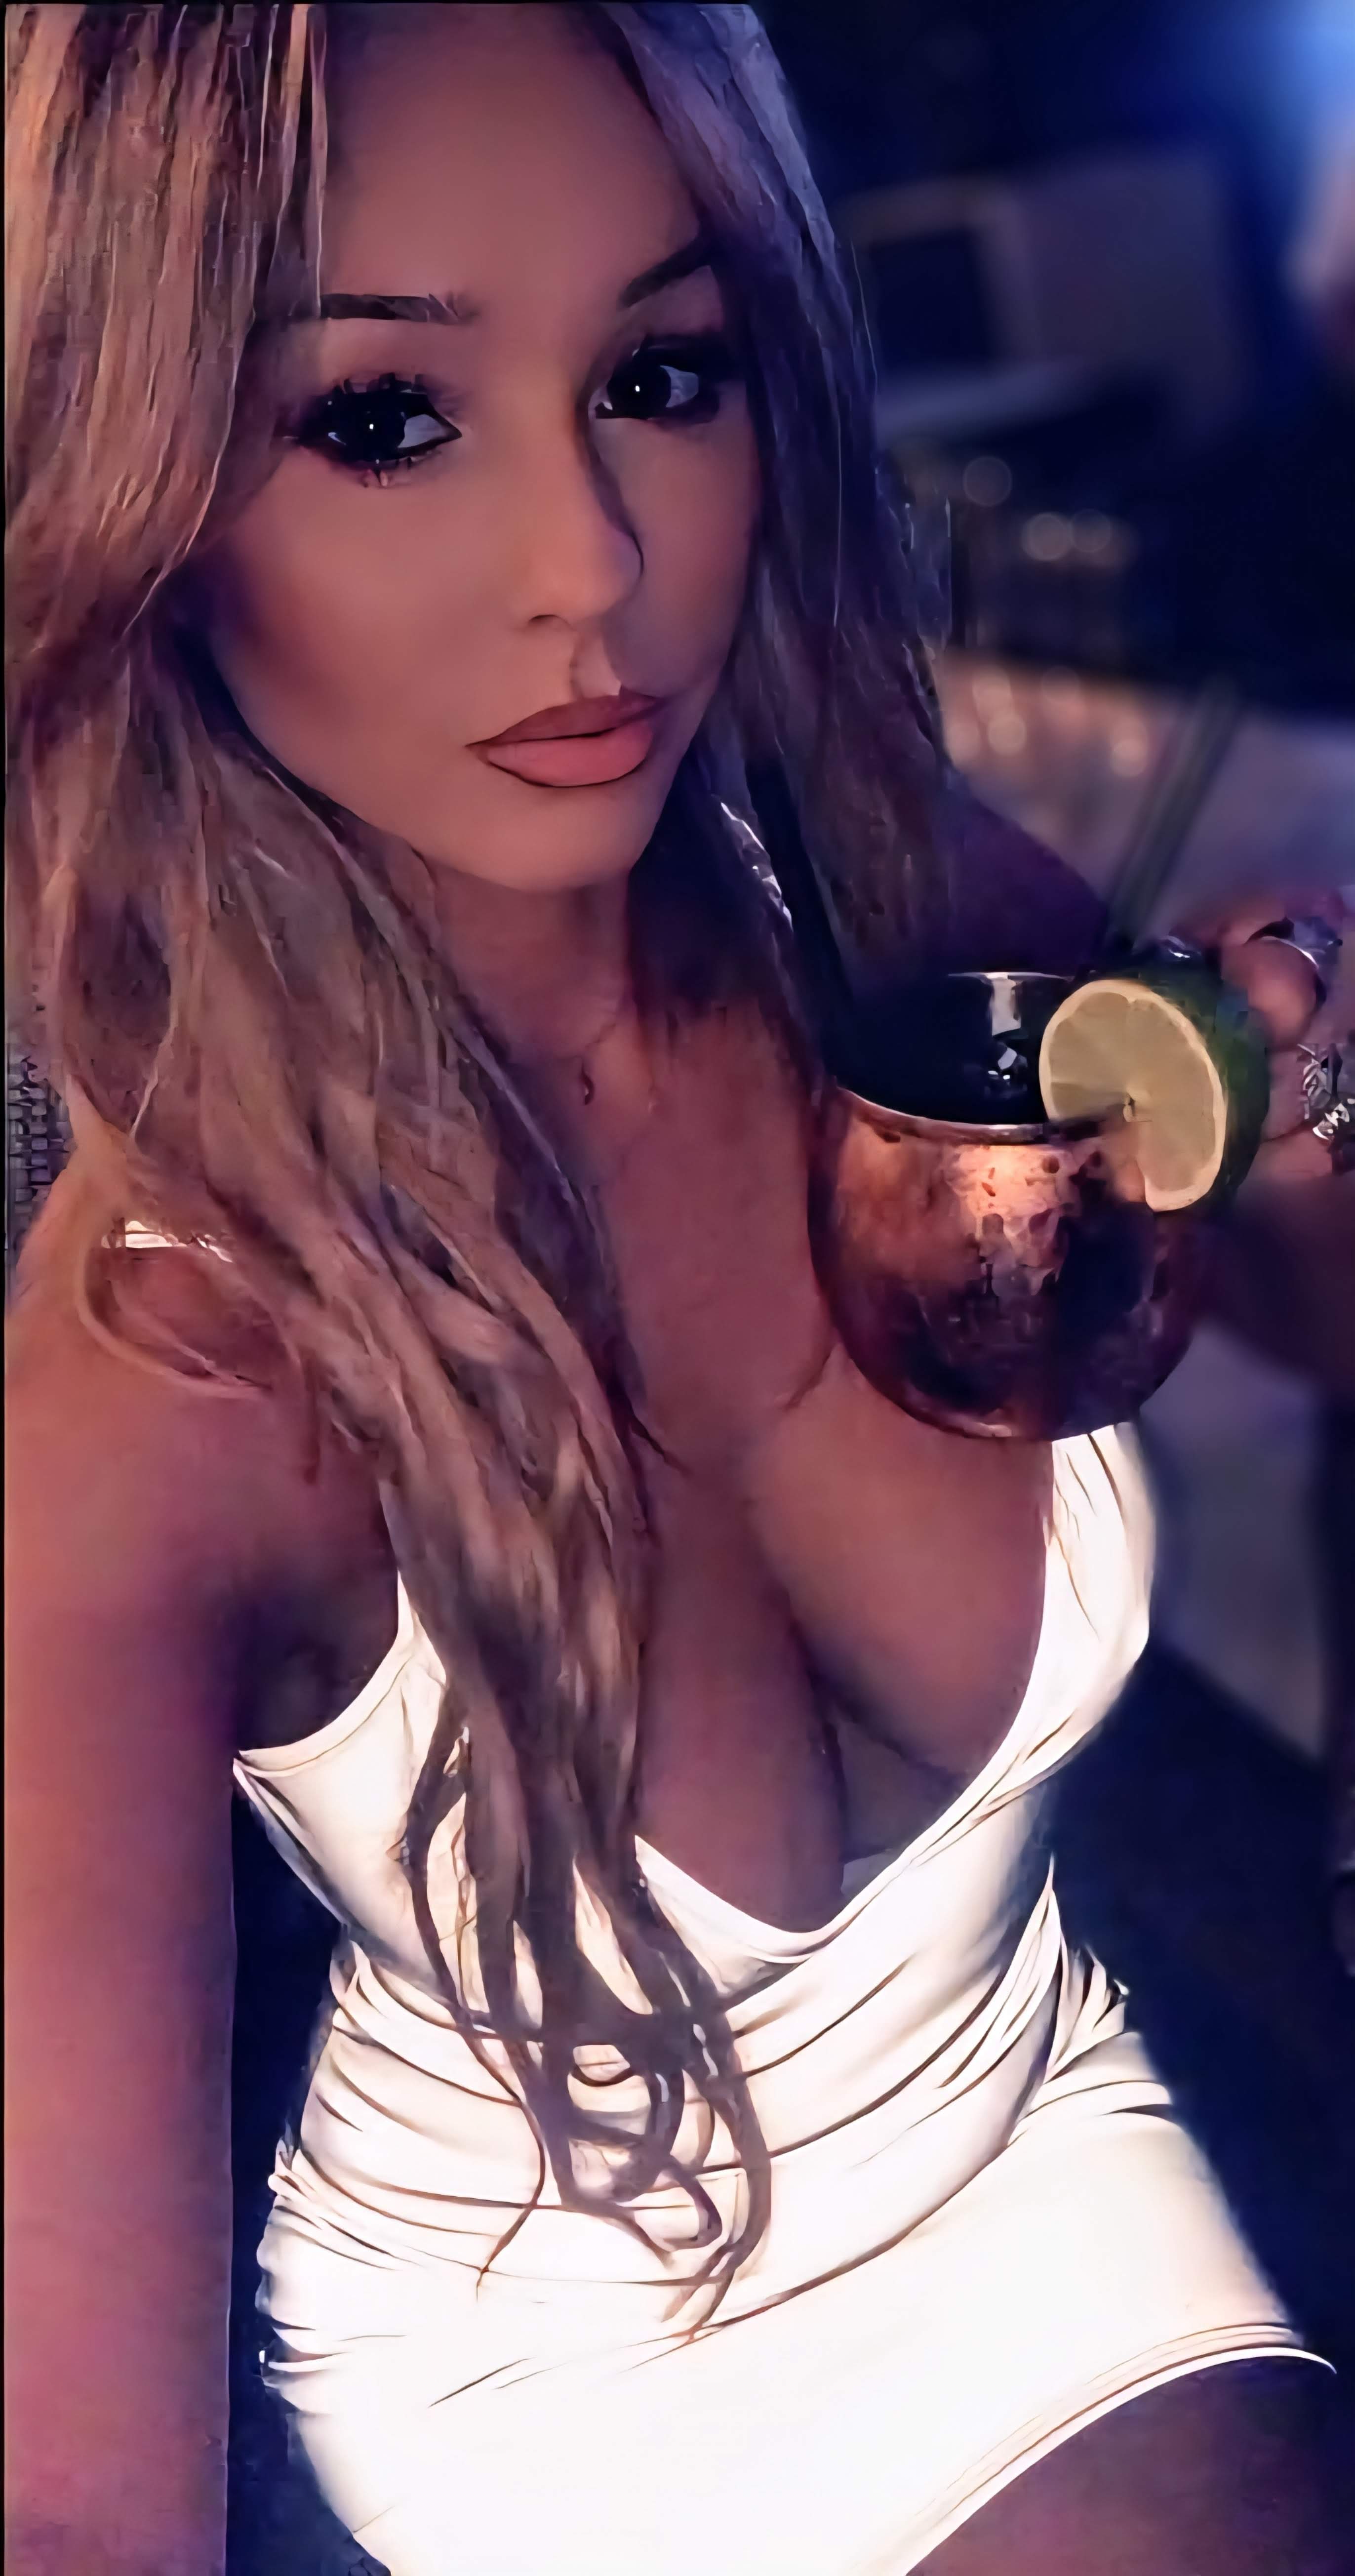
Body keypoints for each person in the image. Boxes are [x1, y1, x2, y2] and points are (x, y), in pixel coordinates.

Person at [4, 9, 1350, 2574]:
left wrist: (1289, 1097)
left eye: (658, 375)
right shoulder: (157, 1402)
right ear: (145, 498)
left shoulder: (894, 917)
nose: (591, 567)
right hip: (571, 2388)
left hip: (1052, 2133)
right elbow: (65, 2508)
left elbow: (1286, 1294)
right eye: (381, 417)